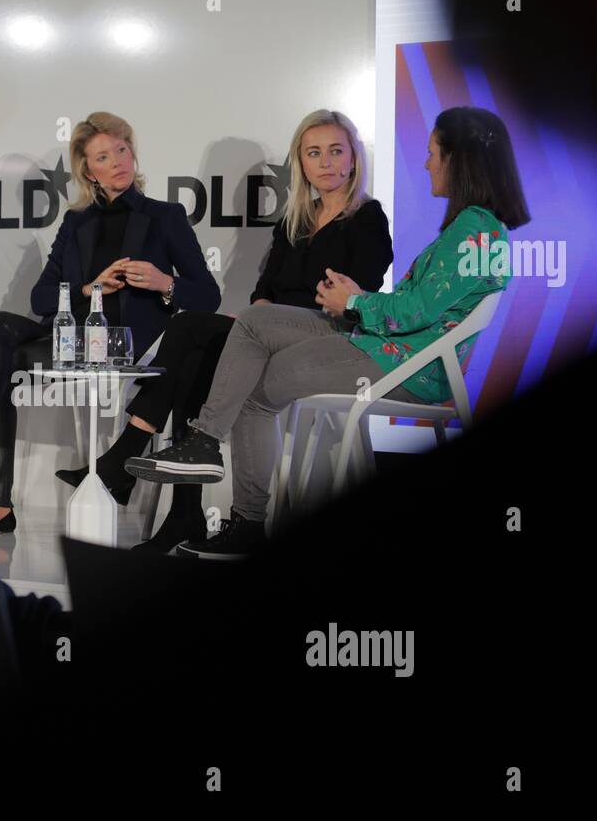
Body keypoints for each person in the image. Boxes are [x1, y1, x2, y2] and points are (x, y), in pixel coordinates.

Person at [125, 106, 531, 559]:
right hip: (390, 351)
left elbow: (414, 311)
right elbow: (417, 308)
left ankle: (241, 511)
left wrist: (354, 302)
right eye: (313, 153)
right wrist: (353, 302)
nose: (426, 162)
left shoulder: (474, 229)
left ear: (461, 158)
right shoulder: (474, 227)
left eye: (434, 152)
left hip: (405, 366)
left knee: (255, 389)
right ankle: (207, 452)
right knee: (251, 330)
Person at [54, 109, 392, 553]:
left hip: (331, 335)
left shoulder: (367, 216)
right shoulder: (295, 220)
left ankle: (176, 448)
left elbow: (354, 294)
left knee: (202, 323)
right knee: (196, 337)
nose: (326, 162)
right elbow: (265, 291)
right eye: (315, 153)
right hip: (271, 329)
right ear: (302, 162)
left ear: (352, 159)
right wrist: (258, 319)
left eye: (336, 151)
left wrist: (262, 320)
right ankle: (190, 515)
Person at [0, 111, 221, 533]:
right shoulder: (77, 221)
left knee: (4, 351)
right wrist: (91, 288)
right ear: (88, 169)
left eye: (122, 150)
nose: (118, 162)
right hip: (72, 341)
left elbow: (208, 297)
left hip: (130, 346)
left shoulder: (165, 216)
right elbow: (41, 299)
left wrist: (165, 282)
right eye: (104, 157)